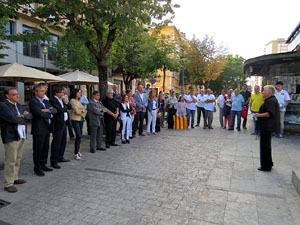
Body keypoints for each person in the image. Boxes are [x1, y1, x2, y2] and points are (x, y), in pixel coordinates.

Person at [0, 87, 32, 193]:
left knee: (18, 158)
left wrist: (22, 117)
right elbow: (12, 119)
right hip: (11, 135)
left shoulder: (18, 105)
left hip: (21, 134)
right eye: (14, 94)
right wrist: (23, 117)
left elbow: (30, 116)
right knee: (11, 160)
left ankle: (15, 177)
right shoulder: (3, 106)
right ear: (7, 96)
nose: (17, 96)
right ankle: (8, 183)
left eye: (17, 94)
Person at [29, 85, 57, 176]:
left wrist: (47, 110)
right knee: (38, 149)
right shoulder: (33, 101)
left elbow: (55, 110)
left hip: (47, 127)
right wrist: (49, 112)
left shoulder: (45, 101)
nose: (43, 92)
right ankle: (37, 167)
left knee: (45, 147)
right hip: (39, 128)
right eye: (41, 91)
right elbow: (38, 113)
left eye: (44, 91)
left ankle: (43, 164)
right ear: (36, 92)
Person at [254, 85, 280, 172]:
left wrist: (259, 115)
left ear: (269, 92)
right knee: (266, 146)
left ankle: (266, 166)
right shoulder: (270, 100)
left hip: (267, 126)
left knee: (265, 146)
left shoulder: (271, 101)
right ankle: (268, 163)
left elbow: (269, 113)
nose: (262, 92)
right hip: (266, 126)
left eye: (264, 91)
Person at [49, 86, 72, 169]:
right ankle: (54, 160)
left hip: (64, 123)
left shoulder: (62, 99)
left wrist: (65, 102)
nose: (63, 94)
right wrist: (64, 109)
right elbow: (59, 110)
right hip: (57, 124)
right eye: (62, 92)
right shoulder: (53, 100)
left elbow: (70, 107)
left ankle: (60, 156)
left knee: (63, 141)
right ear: (56, 93)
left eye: (64, 92)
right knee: (57, 142)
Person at [70, 89, 87, 160]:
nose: (80, 94)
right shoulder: (72, 100)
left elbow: (85, 110)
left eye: (81, 92)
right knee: (78, 135)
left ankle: (78, 150)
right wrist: (81, 109)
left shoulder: (79, 101)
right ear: (75, 93)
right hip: (75, 120)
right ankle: (76, 152)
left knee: (79, 136)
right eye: (79, 92)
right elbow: (76, 111)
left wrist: (81, 109)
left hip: (81, 119)